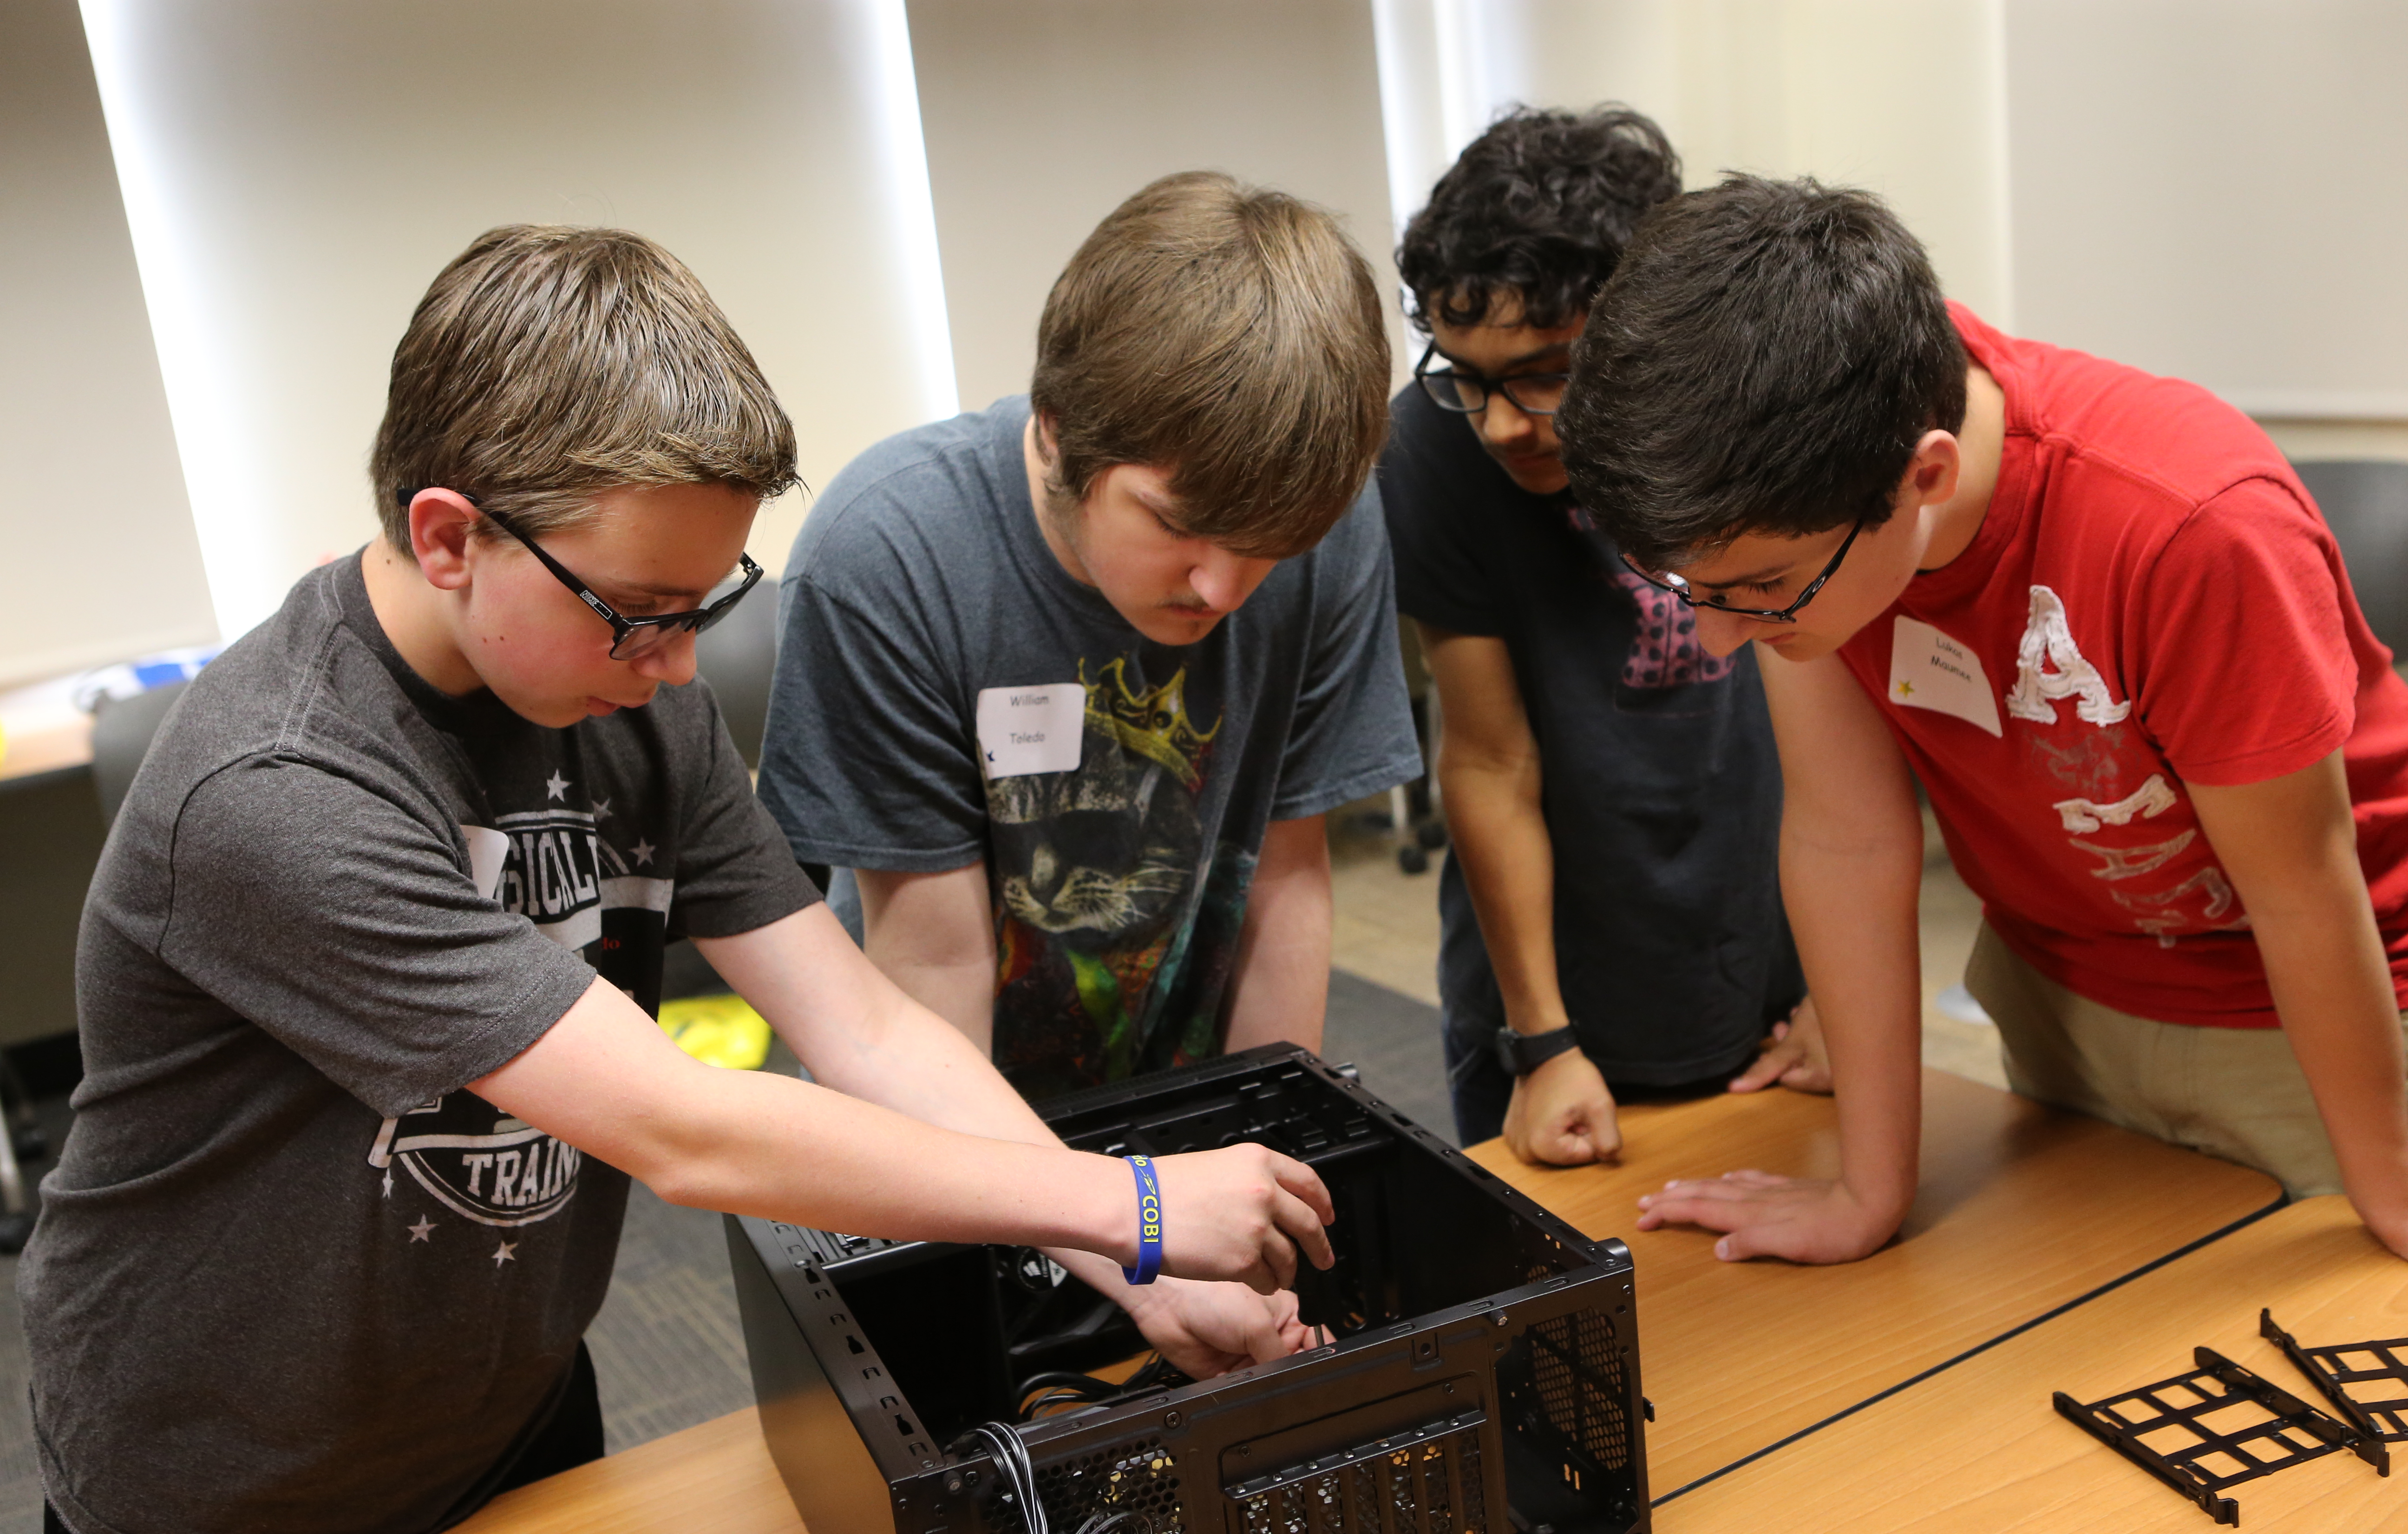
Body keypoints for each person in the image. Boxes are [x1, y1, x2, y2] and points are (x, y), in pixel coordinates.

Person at [25, 225, 1334, 1534]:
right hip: (234, 1485)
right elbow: (684, 1129)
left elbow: (868, 1026)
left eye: (706, 605)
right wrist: (1126, 1204)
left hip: (505, 1394)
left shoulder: (636, 708)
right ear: (449, 536)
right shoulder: (276, 788)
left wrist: (1132, 1275)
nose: (678, 665)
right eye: (638, 612)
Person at [1556, 176, 2408, 1265]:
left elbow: (2302, 892)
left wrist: (2389, 1194)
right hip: (2060, 995)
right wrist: (1869, 1190)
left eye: (1762, 593)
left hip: (2319, 1012)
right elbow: (1846, 837)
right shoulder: (1800, 455)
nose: (1721, 643)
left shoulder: (2190, 525)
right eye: (1694, 589)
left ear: (1926, 478)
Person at [759, 173, 1423, 1101]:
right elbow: (933, 968)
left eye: (1271, 546)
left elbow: (1285, 880)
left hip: (1182, 1083)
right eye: (1175, 523)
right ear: (1056, 429)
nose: (1223, 588)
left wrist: (1264, 1137)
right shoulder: (892, 556)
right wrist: (1083, 1214)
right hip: (939, 1097)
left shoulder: (1327, 517)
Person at [1380, 107, 1820, 1166]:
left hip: (1768, 949)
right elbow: (1488, 760)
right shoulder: (1434, 452)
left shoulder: (1755, 409)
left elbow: (1847, 715)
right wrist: (1543, 1041)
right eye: (1469, 375)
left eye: (1544, 373)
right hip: (1546, 983)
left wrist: (1846, 989)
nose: (1501, 424)